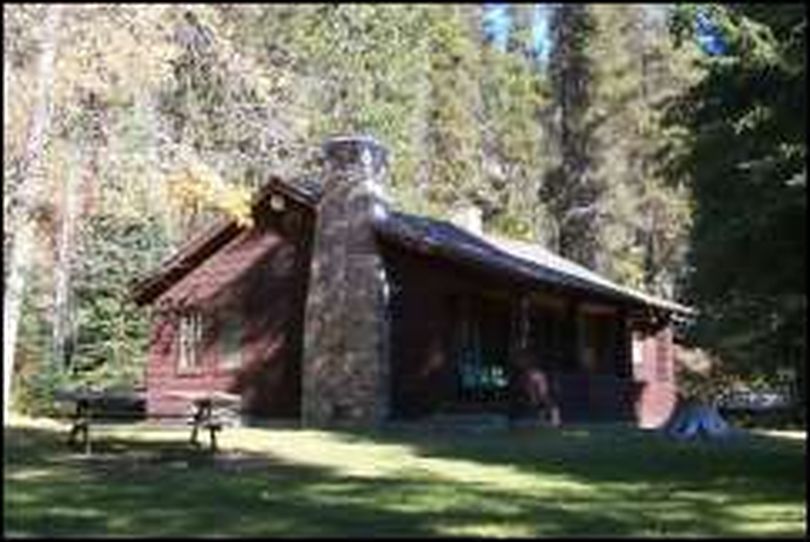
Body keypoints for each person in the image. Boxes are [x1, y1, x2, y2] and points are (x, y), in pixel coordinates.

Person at [511, 347, 561, 427]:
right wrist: (533, 396)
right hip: (537, 382)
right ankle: (543, 420)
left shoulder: (538, 373)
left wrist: (535, 395)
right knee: (540, 402)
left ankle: (556, 420)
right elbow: (529, 386)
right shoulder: (525, 374)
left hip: (541, 382)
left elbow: (536, 386)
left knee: (546, 400)